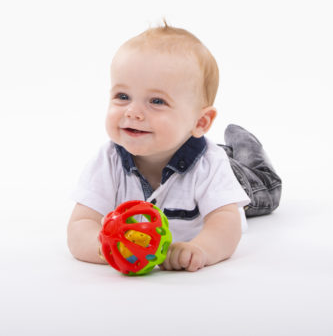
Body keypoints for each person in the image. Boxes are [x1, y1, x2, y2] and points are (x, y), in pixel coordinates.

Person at [67, 23, 281, 272]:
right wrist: (107, 247)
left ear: (200, 122)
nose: (132, 112)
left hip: (237, 179)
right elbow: (81, 223)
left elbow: (227, 222)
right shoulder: (108, 159)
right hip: (183, 144)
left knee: (265, 186)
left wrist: (200, 249)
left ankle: (245, 144)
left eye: (156, 101)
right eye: (123, 96)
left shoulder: (209, 164)